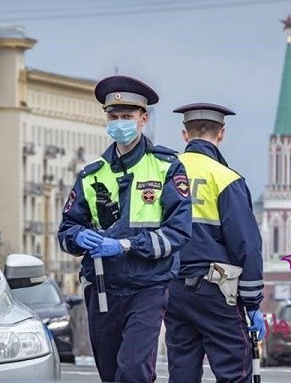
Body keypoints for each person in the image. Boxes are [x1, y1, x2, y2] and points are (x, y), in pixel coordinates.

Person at [57, 75, 192, 383]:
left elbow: (179, 232)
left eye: (127, 116)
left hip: (148, 286)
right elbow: (66, 230)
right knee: (110, 373)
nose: (119, 123)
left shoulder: (166, 167)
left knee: (133, 370)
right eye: (113, 116)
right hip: (103, 287)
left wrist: (126, 245)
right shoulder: (92, 174)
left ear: (143, 119)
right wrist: (77, 236)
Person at [164, 103, 266, 383]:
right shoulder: (226, 179)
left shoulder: (164, 173)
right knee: (234, 370)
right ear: (221, 133)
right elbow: (247, 245)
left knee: (181, 371)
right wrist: (253, 303)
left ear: (185, 135)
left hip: (172, 289)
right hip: (215, 291)